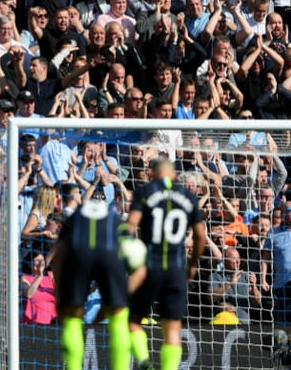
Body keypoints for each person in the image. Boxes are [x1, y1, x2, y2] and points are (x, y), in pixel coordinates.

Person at [127, 159, 206, 370]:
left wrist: (128, 256)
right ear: (174, 175)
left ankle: (144, 363)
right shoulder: (189, 197)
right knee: (172, 329)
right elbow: (200, 236)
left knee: (132, 321)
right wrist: (192, 264)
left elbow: (130, 226)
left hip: (148, 267)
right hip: (176, 269)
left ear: (152, 173)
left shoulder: (144, 192)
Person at [54, 198, 144, 370]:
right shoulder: (116, 221)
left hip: (79, 253)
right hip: (111, 254)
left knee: (72, 317)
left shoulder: (74, 220)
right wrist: (123, 296)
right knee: (118, 317)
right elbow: (140, 269)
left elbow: (60, 254)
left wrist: (60, 291)